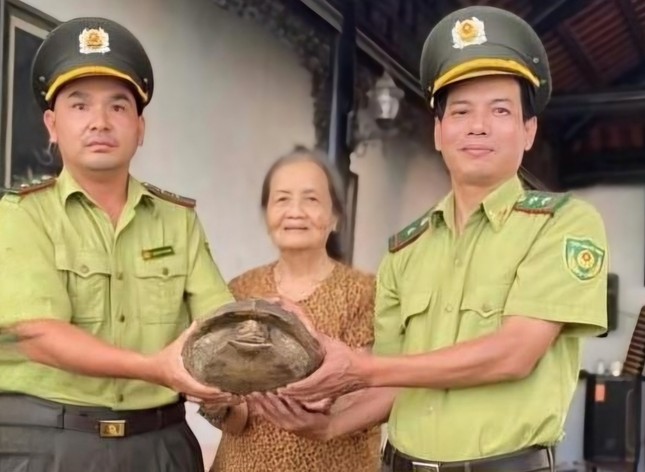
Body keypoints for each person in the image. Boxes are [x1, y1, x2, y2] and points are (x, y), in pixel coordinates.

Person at [278, 6, 608, 472]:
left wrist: (362, 367)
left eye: (500, 110)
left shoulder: (563, 225)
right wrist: (330, 423)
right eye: (460, 111)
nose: (478, 126)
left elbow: (514, 354)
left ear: (528, 131)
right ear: (438, 131)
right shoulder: (405, 251)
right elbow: (398, 377)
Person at [0, 17, 239, 472]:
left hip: (160, 446)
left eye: (118, 106)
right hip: (47, 445)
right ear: (51, 124)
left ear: (140, 127)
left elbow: (217, 323)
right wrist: (156, 367)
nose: (100, 122)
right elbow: (39, 335)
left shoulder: (178, 221)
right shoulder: (21, 215)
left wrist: (264, 357)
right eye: (79, 105)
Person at [204, 146, 394, 472]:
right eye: (281, 199)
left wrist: (276, 393)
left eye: (311, 199)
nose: (295, 211)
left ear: (335, 216)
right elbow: (236, 421)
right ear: (266, 214)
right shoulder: (239, 291)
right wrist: (216, 398)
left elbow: (366, 394)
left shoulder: (367, 292)